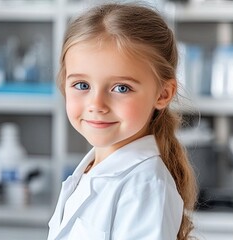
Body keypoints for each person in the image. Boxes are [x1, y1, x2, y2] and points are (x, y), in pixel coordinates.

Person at [47, 3, 197, 240]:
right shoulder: (89, 170)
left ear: (163, 94)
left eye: (121, 88)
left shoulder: (146, 187)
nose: (96, 104)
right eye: (82, 85)